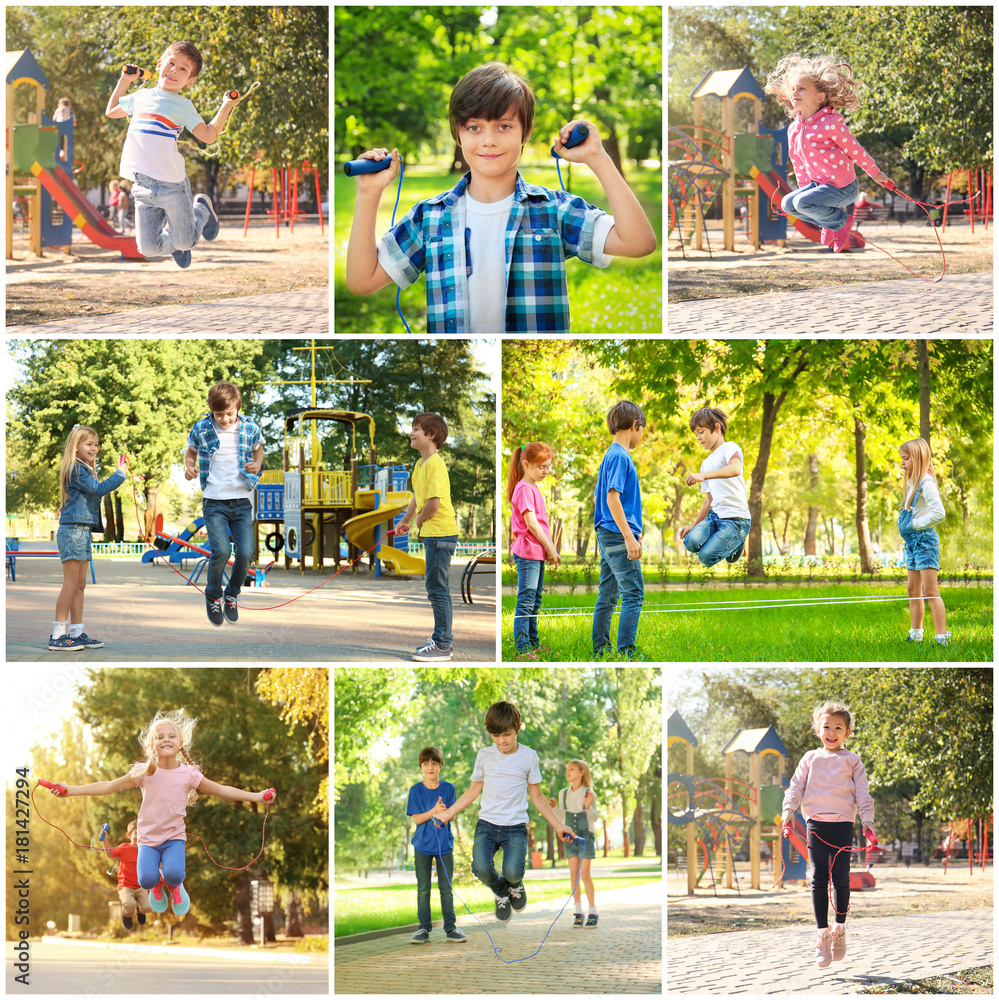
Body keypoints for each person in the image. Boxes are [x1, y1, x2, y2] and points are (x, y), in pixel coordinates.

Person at [345, 61, 657, 333]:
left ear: (526, 132)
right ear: (458, 133)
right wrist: (369, 195)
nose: (489, 141)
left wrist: (598, 159)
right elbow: (362, 280)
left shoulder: (554, 210)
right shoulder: (429, 217)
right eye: (474, 127)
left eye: (504, 126)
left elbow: (639, 242)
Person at [43, 708, 275, 917]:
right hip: (148, 841)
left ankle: (175, 887)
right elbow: (107, 785)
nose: (166, 739)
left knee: (174, 874)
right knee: (146, 879)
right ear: (150, 745)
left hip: (174, 838)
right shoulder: (143, 772)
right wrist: (70, 790)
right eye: (160, 737)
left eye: (171, 736)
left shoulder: (189, 775)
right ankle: (156, 886)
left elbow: (222, 790)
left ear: (180, 742)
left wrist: (255, 796)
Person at [431, 701, 575, 922]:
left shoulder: (529, 756)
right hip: (487, 825)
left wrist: (558, 825)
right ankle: (501, 892)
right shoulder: (484, 755)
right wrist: (448, 813)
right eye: (495, 735)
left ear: (518, 726)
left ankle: (515, 886)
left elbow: (537, 796)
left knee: (512, 872)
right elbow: (473, 790)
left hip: (515, 827)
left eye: (506, 734)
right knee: (480, 869)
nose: (501, 741)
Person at [105, 41, 233, 268]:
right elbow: (112, 111)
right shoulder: (141, 95)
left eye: (183, 69)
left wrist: (226, 105)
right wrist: (125, 80)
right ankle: (174, 241)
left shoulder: (182, 106)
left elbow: (209, 135)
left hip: (171, 185)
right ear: (160, 64)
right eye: (171, 63)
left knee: (187, 241)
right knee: (148, 248)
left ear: (190, 81)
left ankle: (201, 209)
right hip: (142, 185)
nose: (174, 70)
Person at [764, 54, 893, 252]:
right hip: (819, 188)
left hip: (843, 188)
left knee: (799, 202)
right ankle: (830, 222)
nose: (795, 92)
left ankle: (840, 222)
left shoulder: (831, 123)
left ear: (820, 97)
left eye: (802, 88)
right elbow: (798, 164)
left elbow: (856, 150)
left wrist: (875, 173)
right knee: (788, 204)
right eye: (793, 89)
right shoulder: (794, 129)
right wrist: (807, 192)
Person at [781, 702, 876, 969]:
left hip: (843, 825)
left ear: (847, 733)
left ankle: (840, 930)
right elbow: (796, 786)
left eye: (838, 728)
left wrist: (867, 821)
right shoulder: (810, 758)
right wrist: (789, 810)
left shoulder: (853, 760)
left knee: (841, 879)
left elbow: (862, 794)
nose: (831, 732)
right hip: (816, 826)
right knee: (818, 878)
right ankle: (822, 936)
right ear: (818, 730)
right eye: (826, 727)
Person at [184, 381, 264, 627]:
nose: (225, 419)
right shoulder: (202, 427)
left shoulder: (249, 426)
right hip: (214, 501)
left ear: (238, 407)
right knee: (221, 551)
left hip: (241, 501)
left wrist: (258, 464)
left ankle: (232, 594)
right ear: (211, 410)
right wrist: (189, 467)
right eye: (220, 415)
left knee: (246, 553)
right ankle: (213, 593)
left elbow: (259, 450)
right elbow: (190, 451)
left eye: (230, 413)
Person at [49, 426, 127, 652]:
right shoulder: (76, 469)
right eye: (89, 444)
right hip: (73, 530)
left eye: (96, 444)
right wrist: (119, 474)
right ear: (76, 447)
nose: (94, 448)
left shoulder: (85, 469)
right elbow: (98, 489)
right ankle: (58, 635)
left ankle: (76, 632)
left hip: (82, 530)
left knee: (80, 585)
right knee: (71, 583)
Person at [395, 414, 459, 662]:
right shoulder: (420, 465)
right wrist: (406, 520)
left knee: (438, 589)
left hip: (440, 533)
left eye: (417, 429)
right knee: (436, 588)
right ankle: (441, 639)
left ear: (431, 435)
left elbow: (433, 503)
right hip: (434, 534)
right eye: (412, 429)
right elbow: (417, 497)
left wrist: (419, 521)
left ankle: (443, 644)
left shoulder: (435, 464)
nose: (411, 433)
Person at [592, 400, 646, 659]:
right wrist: (628, 537)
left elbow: (598, 499)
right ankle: (627, 651)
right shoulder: (620, 457)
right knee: (633, 593)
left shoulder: (610, 456)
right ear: (635, 426)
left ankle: (600, 650)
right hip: (616, 535)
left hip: (608, 532)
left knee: (608, 595)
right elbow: (612, 498)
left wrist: (634, 529)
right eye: (642, 430)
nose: (641, 436)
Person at [406, 747, 466, 944]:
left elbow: (452, 815)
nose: (430, 767)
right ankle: (423, 929)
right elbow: (416, 819)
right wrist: (434, 811)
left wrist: (443, 814)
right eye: (426, 764)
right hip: (422, 845)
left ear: (440, 765)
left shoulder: (448, 788)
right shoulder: (415, 790)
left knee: (446, 888)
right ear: (421, 767)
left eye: (434, 763)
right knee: (423, 888)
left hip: (444, 847)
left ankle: (451, 928)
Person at [681, 407, 752, 567]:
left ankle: (738, 542)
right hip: (715, 517)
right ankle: (730, 540)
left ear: (717, 428)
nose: (698, 437)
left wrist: (704, 476)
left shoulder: (730, 448)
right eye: (696, 434)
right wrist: (692, 526)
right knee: (690, 542)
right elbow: (708, 501)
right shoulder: (705, 463)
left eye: (701, 431)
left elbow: (735, 469)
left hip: (736, 519)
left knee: (706, 558)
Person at [507, 442, 560, 654]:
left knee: (535, 601)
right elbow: (532, 524)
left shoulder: (533, 489)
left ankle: (534, 645)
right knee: (526, 601)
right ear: (526, 464)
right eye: (541, 467)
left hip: (536, 552)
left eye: (548, 467)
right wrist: (551, 548)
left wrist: (547, 550)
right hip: (528, 552)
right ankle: (523, 649)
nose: (545, 471)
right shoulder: (524, 489)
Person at [898, 437, 949, 645]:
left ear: (918, 458)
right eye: (902, 459)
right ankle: (916, 633)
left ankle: (941, 637)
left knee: (930, 591)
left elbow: (939, 513)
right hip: (912, 542)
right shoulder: (912, 483)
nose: (903, 463)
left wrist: (917, 523)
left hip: (925, 541)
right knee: (913, 590)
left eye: (906, 459)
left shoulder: (926, 483)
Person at [548, 759, 600, 927]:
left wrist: (587, 806)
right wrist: (552, 808)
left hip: (586, 836)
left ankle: (593, 911)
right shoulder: (563, 793)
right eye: (567, 769)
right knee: (574, 874)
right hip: (570, 835)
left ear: (581, 772)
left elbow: (594, 818)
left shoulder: (589, 793)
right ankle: (578, 912)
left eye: (572, 769)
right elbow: (561, 817)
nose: (568, 772)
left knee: (585, 874)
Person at [108, 819, 152, 931]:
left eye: (141, 834)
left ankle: (140, 911)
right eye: (136, 833)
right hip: (126, 886)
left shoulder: (145, 850)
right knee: (129, 904)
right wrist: (105, 840)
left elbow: (155, 863)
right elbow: (109, 854)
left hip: (141, 886)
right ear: (129, 835)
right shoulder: (124, 848)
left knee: (148, 907)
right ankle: (126, 915)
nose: (139, 836)